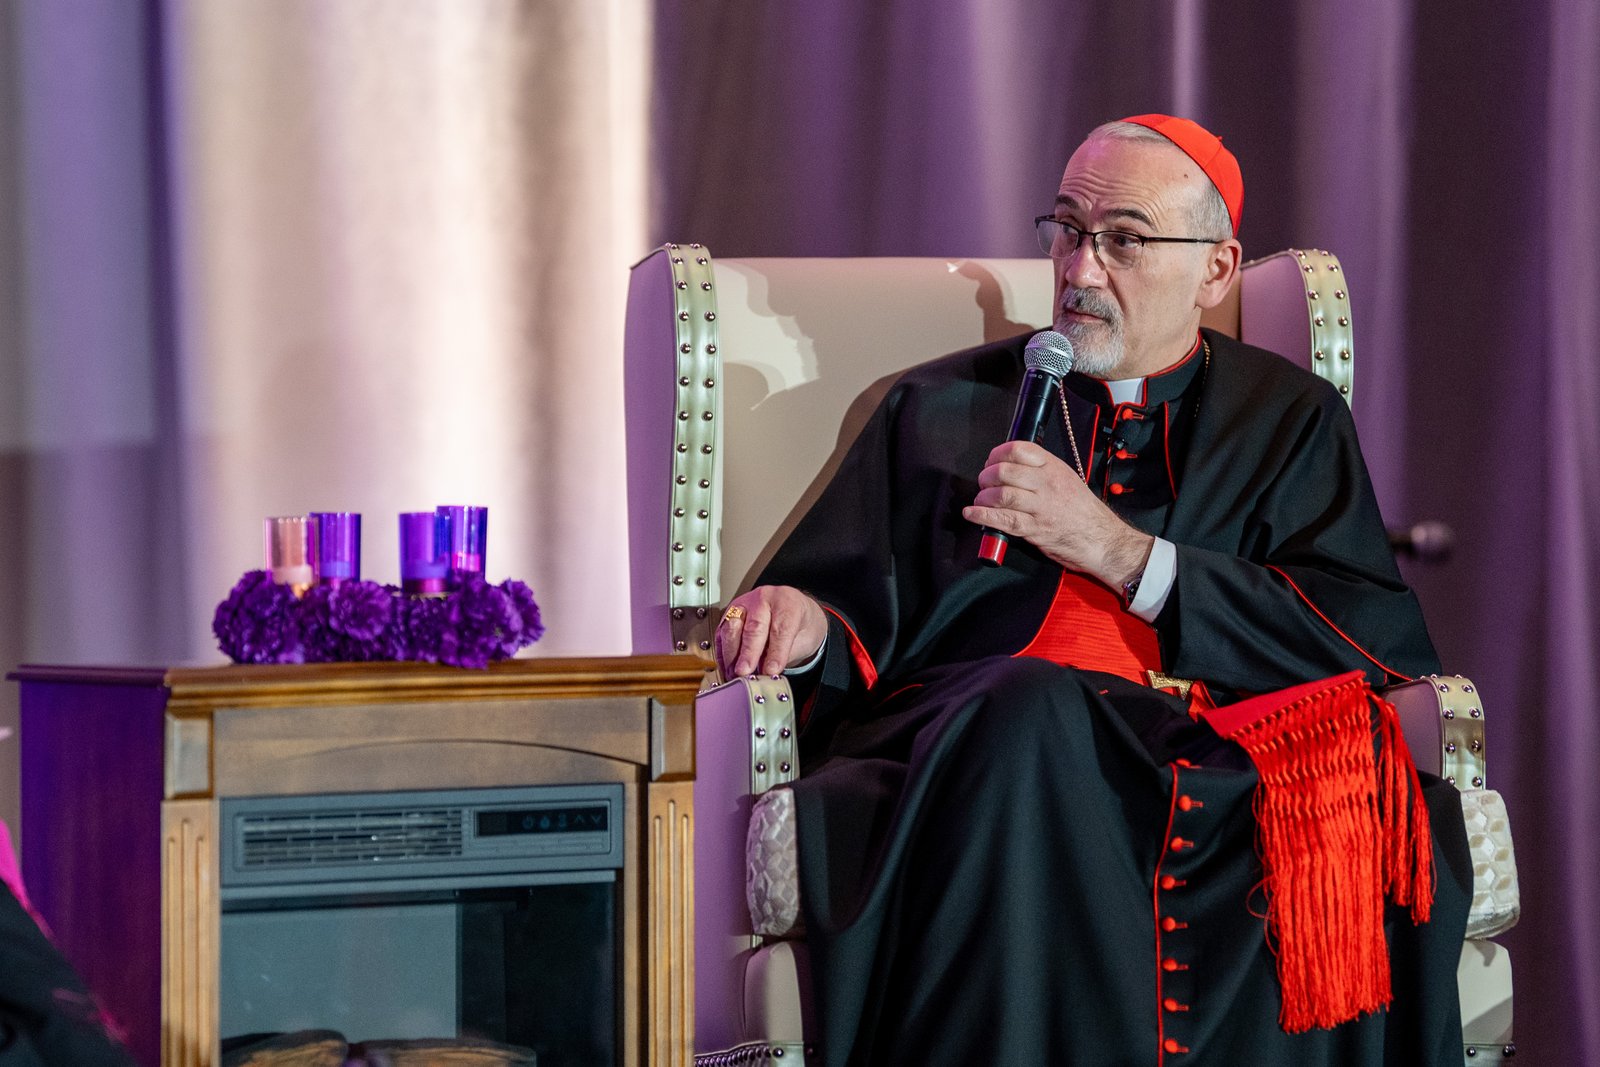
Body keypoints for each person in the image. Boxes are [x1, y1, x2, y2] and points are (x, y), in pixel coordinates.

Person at [714, 115, 1471, 1066]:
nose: (1078, 271)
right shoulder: (943, 408)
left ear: (1217, 270)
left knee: (1385, 802)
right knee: (1027, 714)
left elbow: (1362, 637)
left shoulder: (1286, 420)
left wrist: (1123, 553)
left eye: (1123, 239)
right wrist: (808, 624)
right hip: (986, 750)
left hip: (1204, 755)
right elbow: (857, 605)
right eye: (1067, 230)